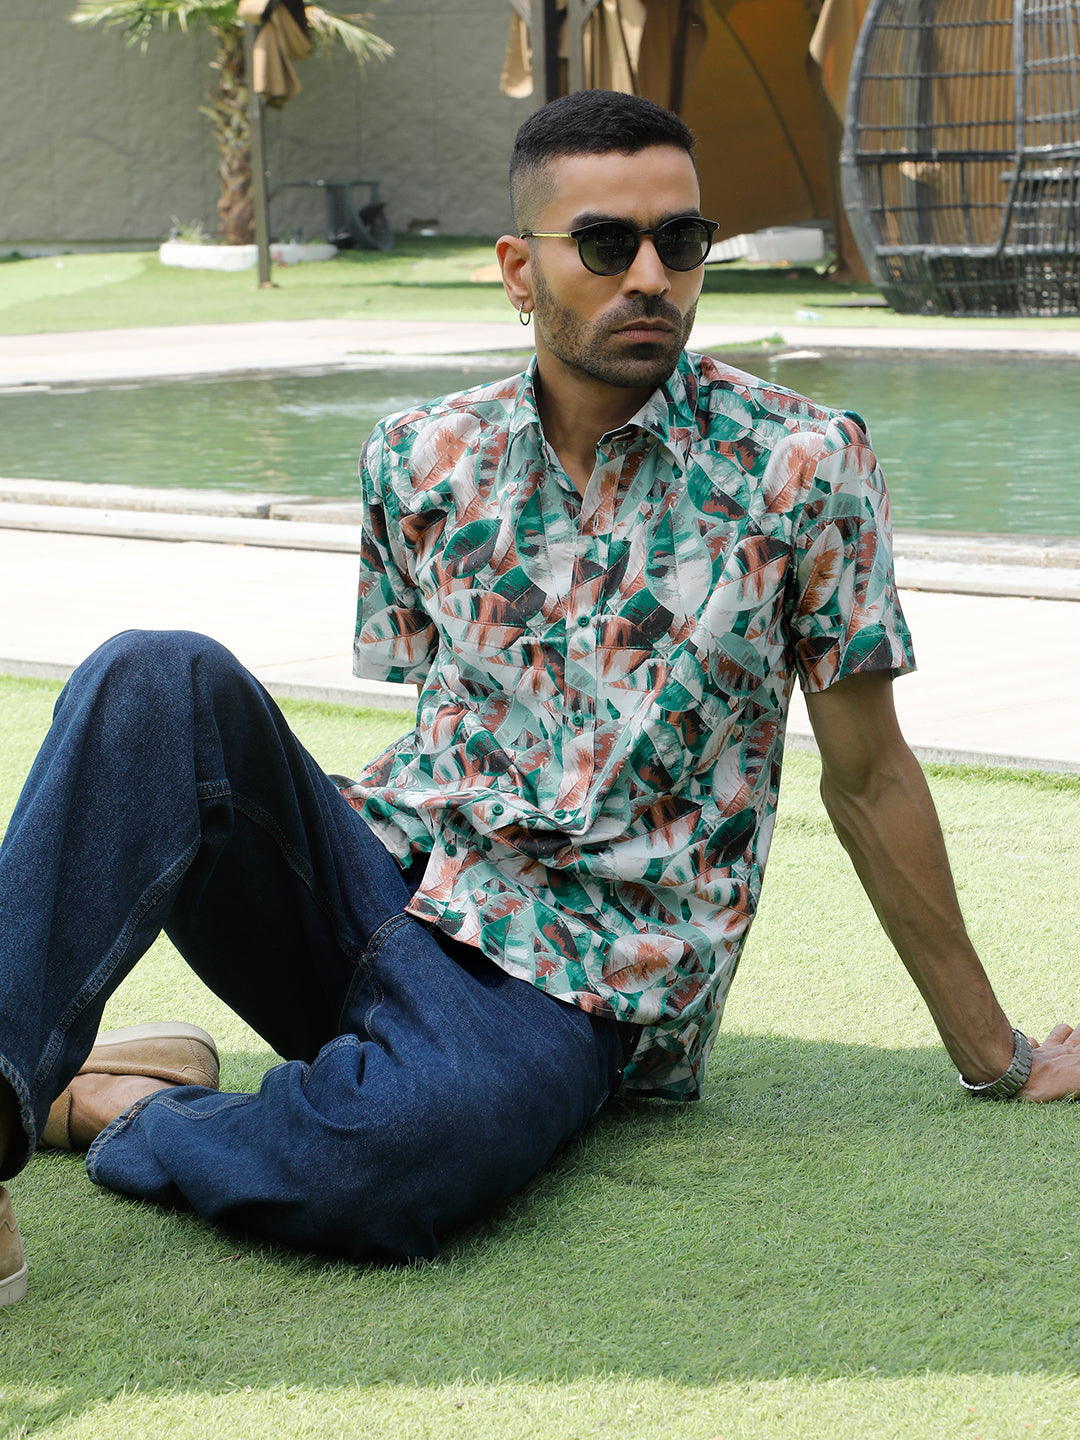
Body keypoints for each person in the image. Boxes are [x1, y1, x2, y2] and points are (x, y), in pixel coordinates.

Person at [2, 90, 1079, 1309]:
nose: (653, 277)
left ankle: (122, 1105)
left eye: (682, 241)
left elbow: (870, 777)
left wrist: (996, 1055)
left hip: (578, 981)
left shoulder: (804, 466)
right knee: (154, 674)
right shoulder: (418, 456)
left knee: (397, 1157)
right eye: (607, 244)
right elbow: (435, 708)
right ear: (520, 269)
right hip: (388, 881)